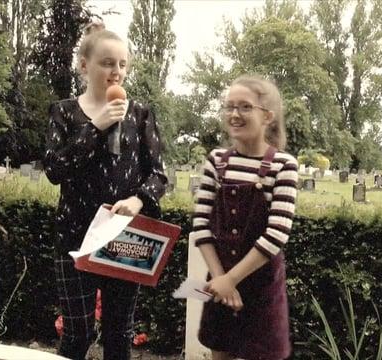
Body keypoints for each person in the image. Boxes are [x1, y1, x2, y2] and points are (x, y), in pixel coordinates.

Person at [44, 22, 167, 360]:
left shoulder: (141, 115)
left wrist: (138, 199)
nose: (116, 72)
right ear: (84, 65)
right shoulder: (63, 112)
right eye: (107, 63)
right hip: (74, 238)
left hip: (123, 239)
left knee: (119, 335)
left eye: (122, 64)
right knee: (77, 335)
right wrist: (95, 126)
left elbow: (158, 175)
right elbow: (54, 169)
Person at [189, 75, 298, 360]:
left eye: (245, 107)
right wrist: (221, 279)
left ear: (267, 117)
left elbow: (277, 233)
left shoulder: (283, 165)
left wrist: (231, 280)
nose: (234, 114)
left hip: (262, 289)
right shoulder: (216, 162)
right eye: (229, 107)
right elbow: (201, 226)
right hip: (219, 279)